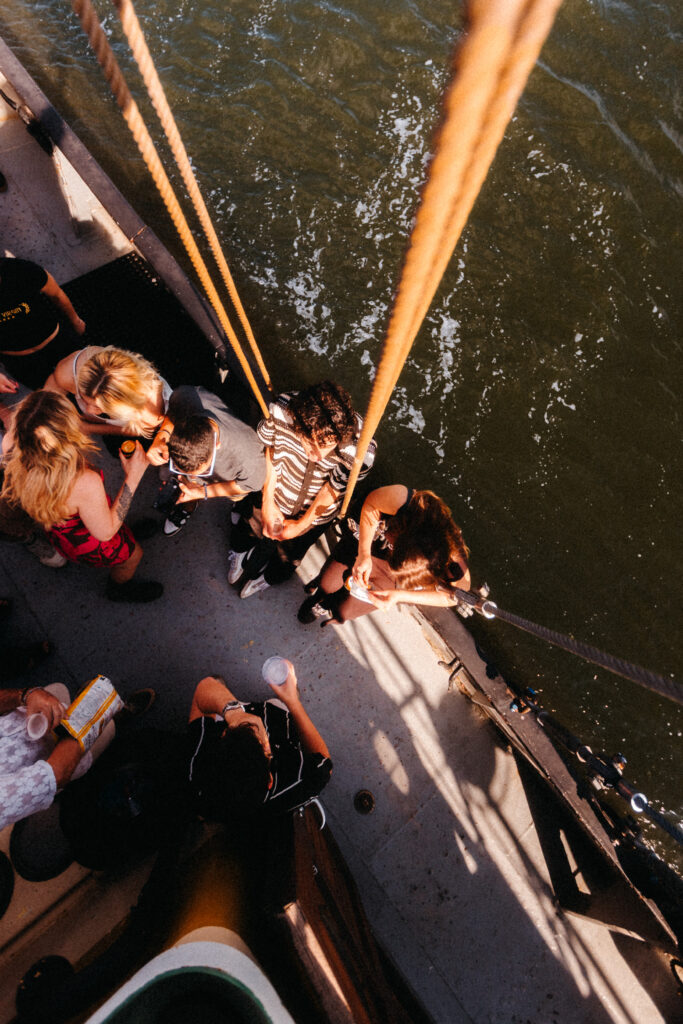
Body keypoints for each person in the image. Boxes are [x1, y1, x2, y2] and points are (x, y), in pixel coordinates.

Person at [1, 390, 162, 602]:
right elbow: (105, 532)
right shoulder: (81, 481)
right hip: (90, 539)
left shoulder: (12, 444)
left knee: (119, 529)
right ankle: (118, 588)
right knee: (133, 557)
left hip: (60, 530)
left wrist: (124, 429)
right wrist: (133, 477)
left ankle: (127, 533)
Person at [228, 380, 376, 599]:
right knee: (250, 525)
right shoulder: (280, 410)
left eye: (325, 446)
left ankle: (269, 578)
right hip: (276, 489)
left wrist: (301, 525)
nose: (317, 455)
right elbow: (268, 449)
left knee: (290, 555)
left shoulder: (361, 451)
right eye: (309, 443)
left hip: (316, 513)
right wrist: (268, 500)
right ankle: (239, 550)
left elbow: (332, 489)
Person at [297, 485, 471, 625]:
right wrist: (363, 554)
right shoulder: (405, 501)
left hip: (392, 573)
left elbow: (454, 597)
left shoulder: (455, 564)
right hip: (372, 541)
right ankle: (322, 596)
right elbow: (372, 504)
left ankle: (330, 605)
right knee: (327, 583)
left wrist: (399, 596)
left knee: (345, 612)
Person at [0, 681, 155, 832]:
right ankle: (115, 716)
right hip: (60, 753)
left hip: (27, 713)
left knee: (59, 690)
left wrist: (25, 695)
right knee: (104, 730)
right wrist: (85, 719)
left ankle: (83, 703)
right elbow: (55, 774)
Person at [186, 661, 332, 821]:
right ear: (270, 781)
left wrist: (233, 712)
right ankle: (286, 702)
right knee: (279, 704)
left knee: (213, 690)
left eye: (231, 733)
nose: (256, 726)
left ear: (223, 736)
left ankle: (225, 699)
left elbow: (203, 690)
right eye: (266, 749)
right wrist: (293, 703)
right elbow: (324, 763)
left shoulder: (200, 782)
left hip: (233, 713)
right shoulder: (297, 781)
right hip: (279, 721)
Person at [145, 384, 266, 536]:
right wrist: (161, 436)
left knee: (238, 497)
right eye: (176, 467)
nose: (194, 478)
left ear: (217, 444)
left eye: (204, 470)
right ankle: (188, 505)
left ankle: (240, 507)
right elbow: (174, 412)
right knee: (188, 482)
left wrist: (203, 492)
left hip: (232, 479)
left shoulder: (250, 458)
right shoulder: (187, 396)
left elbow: (245, 486)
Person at [44, 345, 172, 440]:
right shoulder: (67, 373)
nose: (89, 411)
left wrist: (89, 428)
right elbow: (47, 394)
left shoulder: (152, 405)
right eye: (84, 399)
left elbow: (134, 430)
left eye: (99, 407)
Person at [0, 256, 85, 389]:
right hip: (22, 363)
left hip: (59, 343)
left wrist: (75, 320)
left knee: (88, 385)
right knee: (55, 404)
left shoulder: (19, 269)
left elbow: (56, 294)